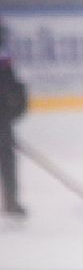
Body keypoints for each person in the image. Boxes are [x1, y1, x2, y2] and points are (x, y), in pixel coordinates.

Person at [0, 18, 27, 218]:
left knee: (7, 159)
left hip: (2, 118)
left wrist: (15, 107)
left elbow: (11, 84)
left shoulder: (3, 57)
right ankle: (11, 201)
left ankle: (11, 200)